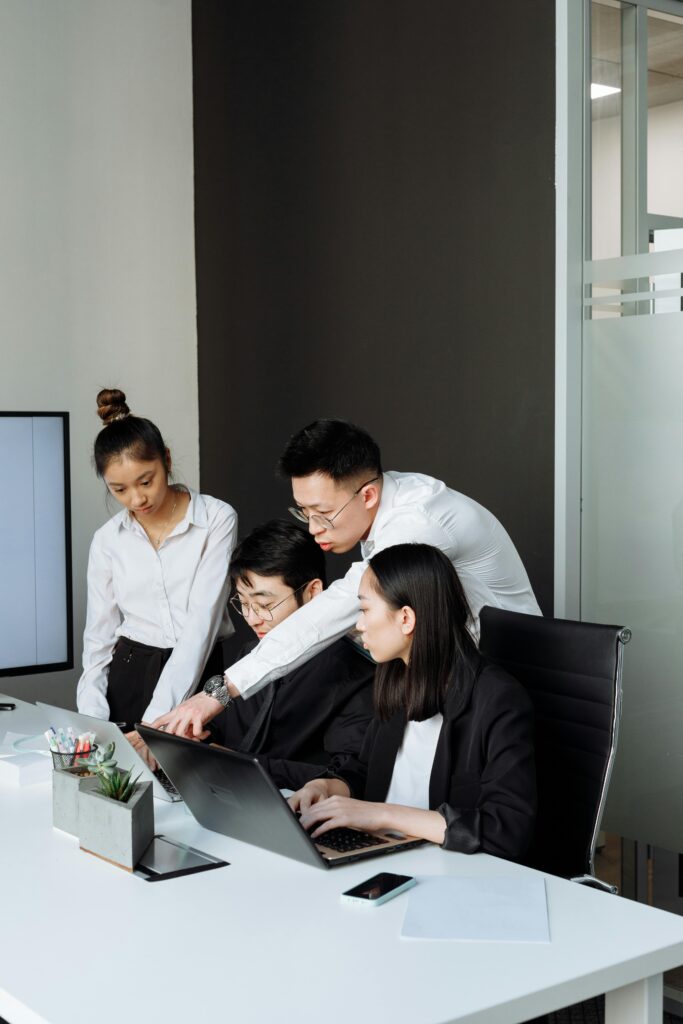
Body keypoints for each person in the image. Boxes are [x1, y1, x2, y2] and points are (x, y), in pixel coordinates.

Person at [154, 418, 540, 738]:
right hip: (447, 669)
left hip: (505, 674)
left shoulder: (416, 523)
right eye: (304, 511)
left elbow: (339, 606)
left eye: (323, 513)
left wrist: (220, 692)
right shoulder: (384, 498)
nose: (314, 528)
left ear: (367, 495)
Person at [291, 544, 536, 860]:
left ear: (405, 618)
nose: (359, 624)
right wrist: (326, 789)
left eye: (365, 610)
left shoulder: (497, 699)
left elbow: (507, 831)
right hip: (389, 853)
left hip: (452, 872)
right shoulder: (396, 676)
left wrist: (383, 814)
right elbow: (367, 770)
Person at [76, 388, 237, 761]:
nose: (136, 499)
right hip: (129, 674)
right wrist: (94, 721)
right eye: (119, 489)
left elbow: (201, 625)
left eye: (146, 481)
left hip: (201, 675)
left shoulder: (215, 519)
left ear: (165, 460)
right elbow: (98, 641)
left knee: (199, 792)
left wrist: (153, 727)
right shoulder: (107, 541)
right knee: (122, 791)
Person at [211, 519, 374, 790]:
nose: (252, 618)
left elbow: (347, 773)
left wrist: (238, 764)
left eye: (264, 604)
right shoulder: (248, 654)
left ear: (313, 592)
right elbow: (217, 724)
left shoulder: (353, 672)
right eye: (243, 603)